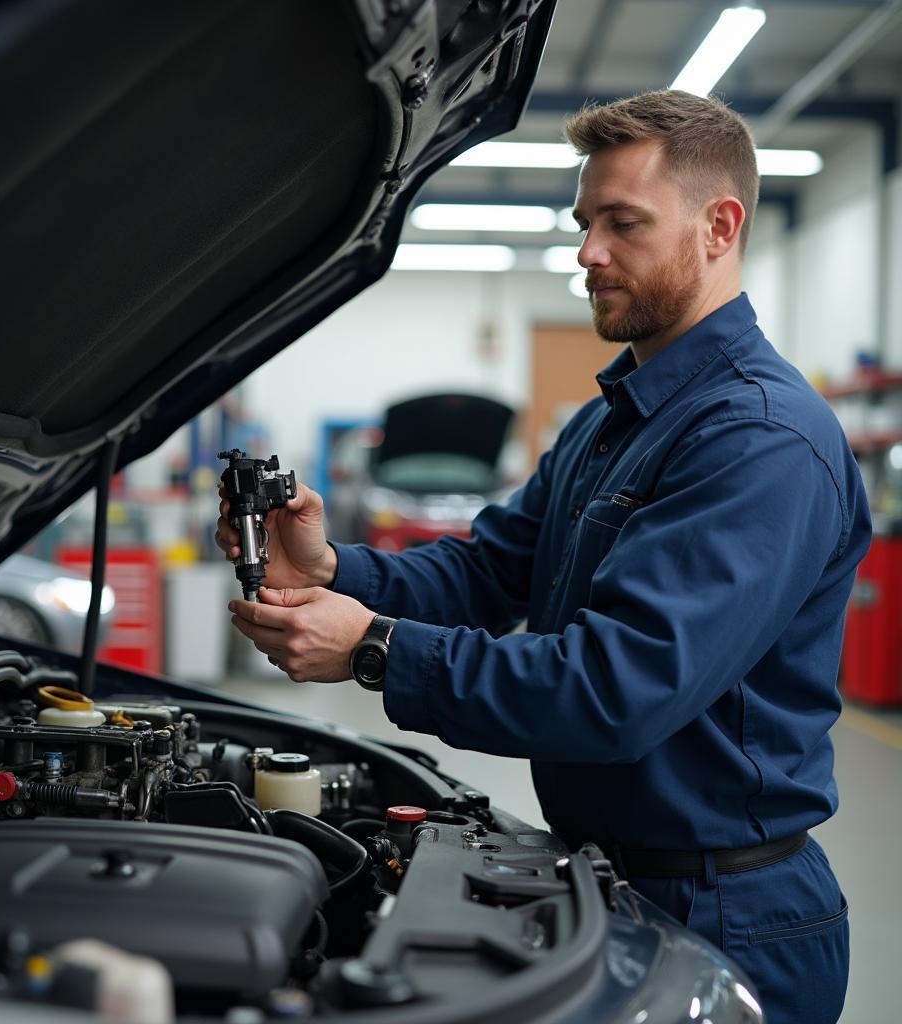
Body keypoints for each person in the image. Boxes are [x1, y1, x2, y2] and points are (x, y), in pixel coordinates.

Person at [216, 90, 869, 1024]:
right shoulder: (611, 421)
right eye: (584, 222)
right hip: (614, 880)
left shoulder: (761, 440)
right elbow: (486, 575)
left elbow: (618, 689)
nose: (587, 253)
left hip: (728, 912)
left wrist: (374, 648)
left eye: (622, 224)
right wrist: (330, 571)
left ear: (719, 226)